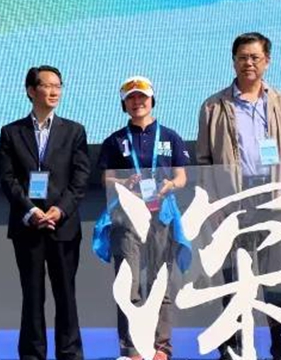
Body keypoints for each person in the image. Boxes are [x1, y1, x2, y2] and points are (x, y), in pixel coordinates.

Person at [196, 32, 281, 360]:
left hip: (274, 201)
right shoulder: (214, 106)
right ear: (234, 62)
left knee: (276, 283)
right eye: (242, 57)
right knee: (234, 282)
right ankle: (234, 350)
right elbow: (203, 160)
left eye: (255, 57)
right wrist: (213, 204)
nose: (249, 63)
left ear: (267, 61)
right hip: (234, 203)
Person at [0, 65, 89, 360]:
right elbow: (8, 179)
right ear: (31, 90)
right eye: (47, 85)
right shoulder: (11, 132)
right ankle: (32, 355)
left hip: (63, 225)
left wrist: (60, 210)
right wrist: (31, 211)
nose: (54, 92)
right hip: (28, 225)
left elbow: (80, 178)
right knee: (32, 296)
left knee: (66, 295)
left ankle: (70, 354)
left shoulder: (74, 131)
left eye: (58, 86)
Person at [97, 76, 190, 360]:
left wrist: (170, 185)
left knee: (160, 285)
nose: (137, 102)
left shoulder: (170, 136)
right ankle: (133, 348)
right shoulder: (115, 140)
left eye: (142, 97)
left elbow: (181, 177)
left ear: (152, 100)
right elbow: (106, 179)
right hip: (127, 219)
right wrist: (123, 183)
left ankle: (161, 347)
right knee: (129, 284)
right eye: (131, 98)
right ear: (124, 104)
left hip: (162, 217)